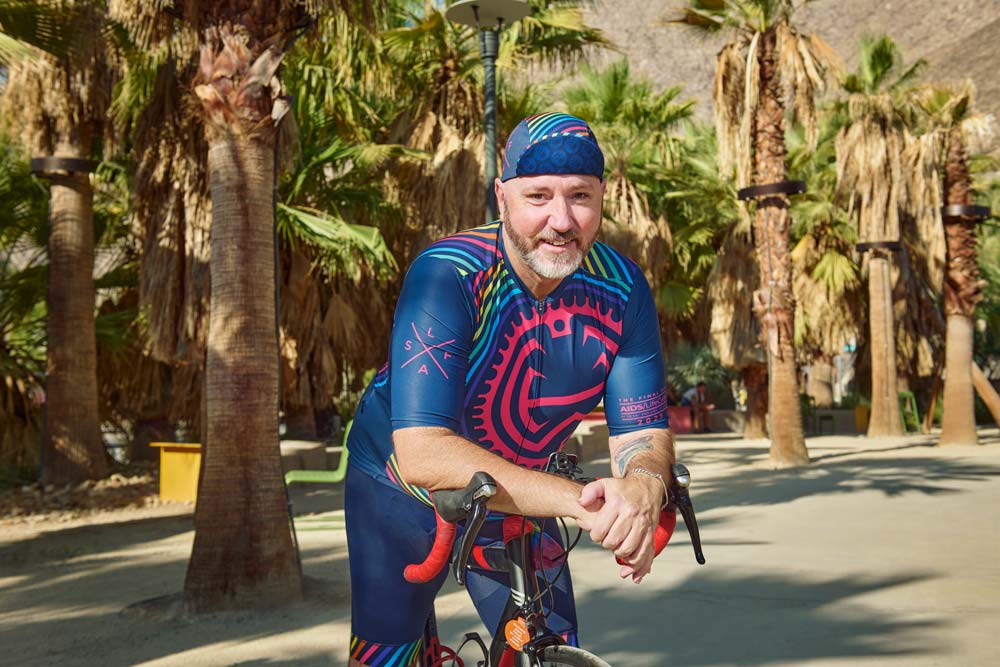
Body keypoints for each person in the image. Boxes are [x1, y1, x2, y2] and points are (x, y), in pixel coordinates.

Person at [344, 112, 674, 667]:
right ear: (502, 198)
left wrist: (643, 486)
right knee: (387, 654)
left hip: (523, 496)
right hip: (400, 490)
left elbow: (642, 429)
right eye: (538, 196)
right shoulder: (448, 274)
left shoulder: (623, 289)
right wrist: (582, 503)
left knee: (547, 648)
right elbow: (424, 452)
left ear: (603, 198)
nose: (561, 219)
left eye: (580, 196)